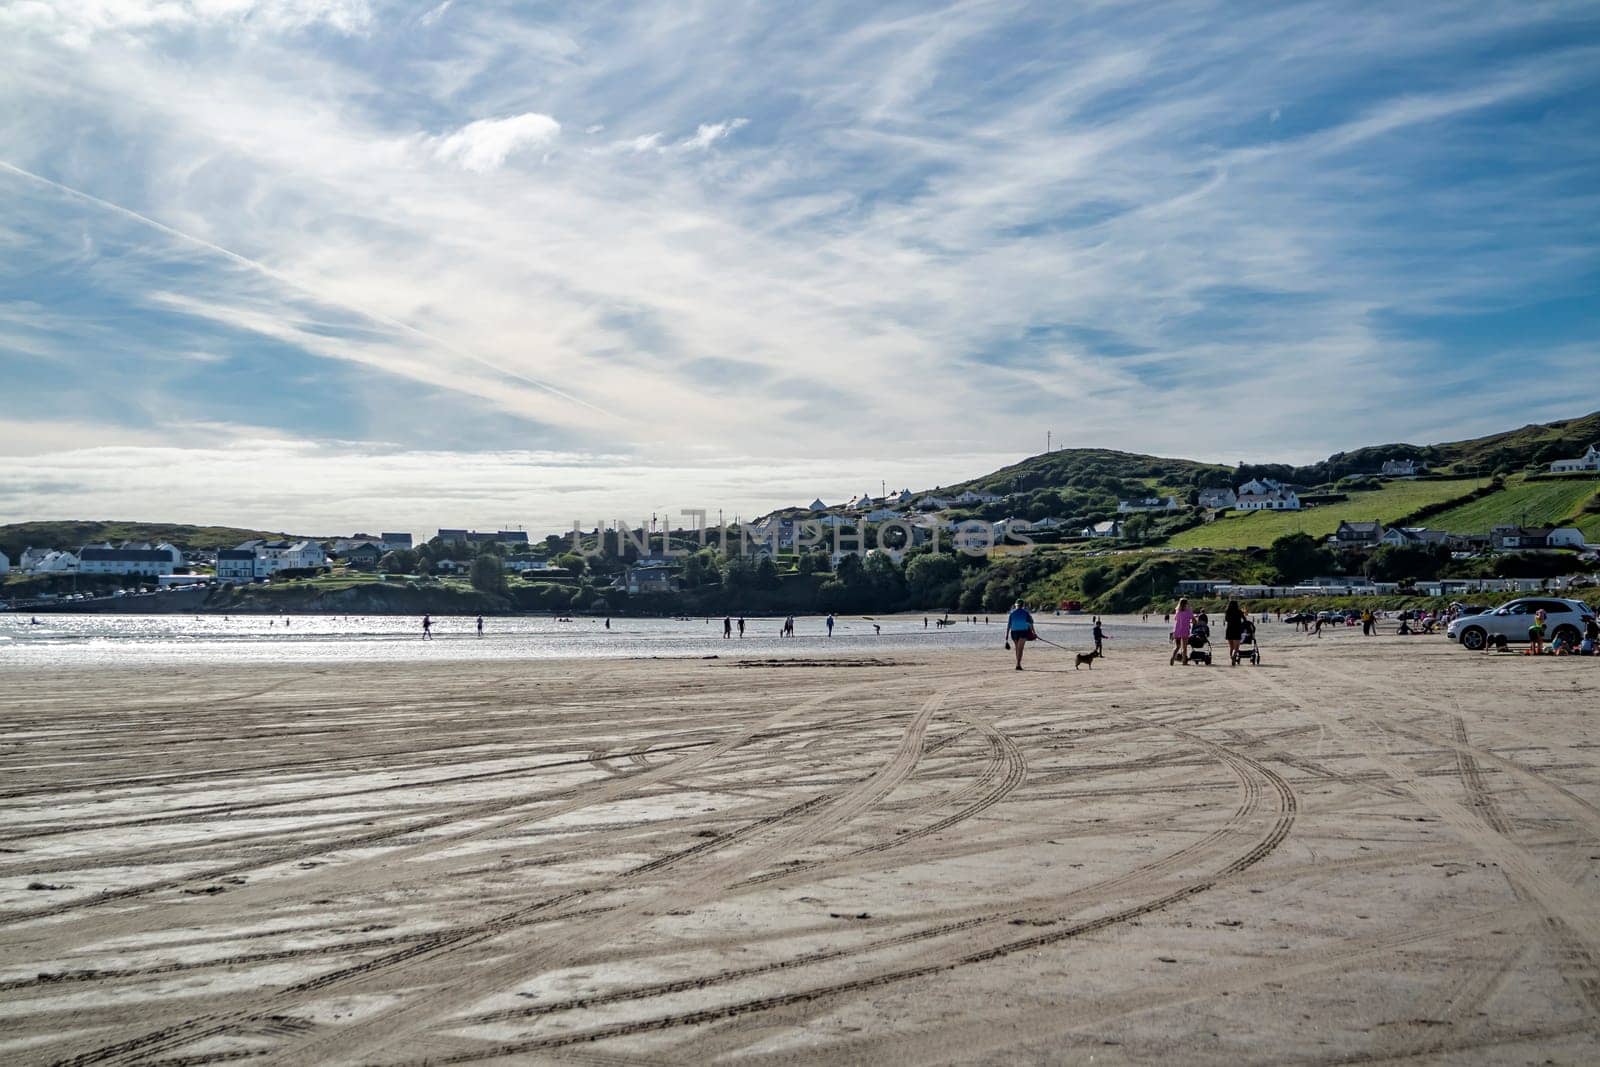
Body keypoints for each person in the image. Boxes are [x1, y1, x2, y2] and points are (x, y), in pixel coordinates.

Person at [1007, 601, 1035, 670]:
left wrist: (1006, 635)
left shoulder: (1012, 613)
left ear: (1016, 605)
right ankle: (1018, 664)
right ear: (1023, 605)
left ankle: (1017, 663)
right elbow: (1030, 623)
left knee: (1017, 648)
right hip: (1023, 632)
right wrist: (1034, 632)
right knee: (1020, 649)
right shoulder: (1026, 613)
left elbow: (1009, 625)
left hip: (1014, 632)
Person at [1170, 598, 1194, 665]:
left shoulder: (1178, 611)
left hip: (1177, 630)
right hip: (1185, 630)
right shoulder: (1189, 611)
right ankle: (1184, 661)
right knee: (1184, 647)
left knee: (1177, 646)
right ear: (1186, 604)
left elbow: (1175, 619)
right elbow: (1193, 620)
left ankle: (1172, 658)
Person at [1224, 598, 1247, 665]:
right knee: (1236, 647)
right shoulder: (1239, 611)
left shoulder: (1227, 611)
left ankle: (1232, 657)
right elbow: (1245, 620)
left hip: (1229, 629)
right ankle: (1234, 657)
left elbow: (1226, 620)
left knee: (1231, 647)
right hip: (1237, 629)